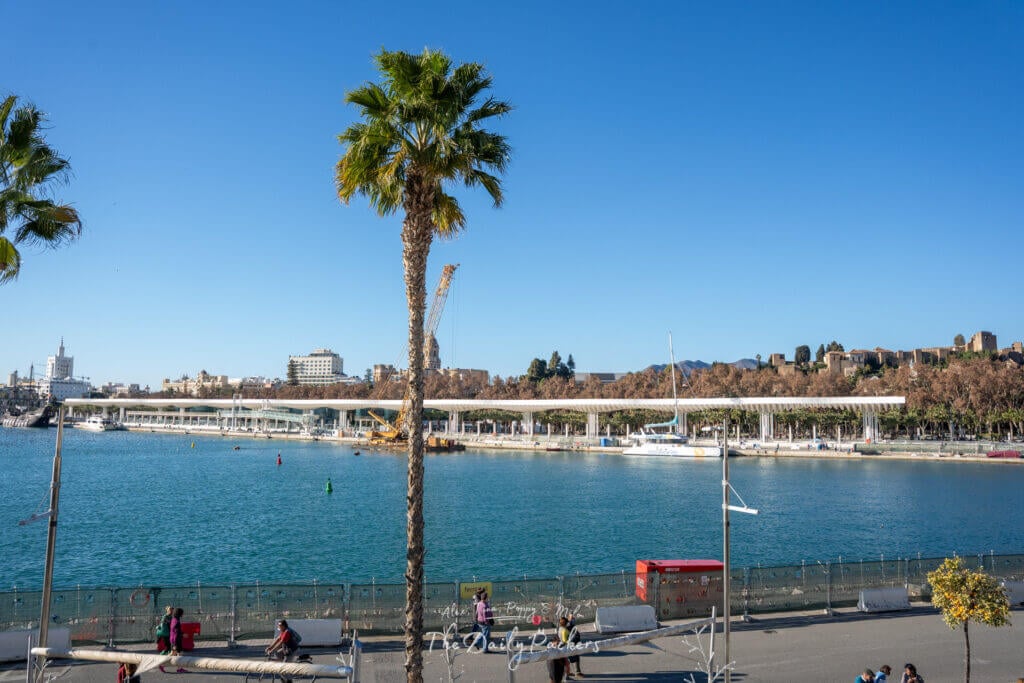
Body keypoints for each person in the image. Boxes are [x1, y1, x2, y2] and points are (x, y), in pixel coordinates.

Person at [266, 619, 301, 683]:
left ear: (284, 626)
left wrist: (272, 650)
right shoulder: (283, 630)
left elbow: (280, 643)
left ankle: (289, 680)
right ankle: (285, 671)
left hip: (291, 650)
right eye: (278, 626)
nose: (278, 627)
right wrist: (270, 647)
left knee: (282, 669)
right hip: (286, 648)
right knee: (277, 653)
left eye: (280, 626)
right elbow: (278, 639)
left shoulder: (287, 632)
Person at [565, 613, 584, 678]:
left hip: (572, 644)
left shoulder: (571, 625)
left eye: (573, 618)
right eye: (572, 618)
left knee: (574, 657)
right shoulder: (568, 625)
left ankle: (575, 672)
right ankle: (574, 673)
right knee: (570, 659)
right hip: (569, 645)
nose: (573, 619)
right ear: (568, 618)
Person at [168, 607, 187, 673]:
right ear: (179, 613)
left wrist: (182, 634)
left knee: (173, 653)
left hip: (172, 639)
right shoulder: (176, 621)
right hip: (176, 640)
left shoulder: (174, 619)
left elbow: (175, 631)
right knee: (180, 654)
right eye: (182, 613)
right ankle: (179, 668)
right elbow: (176, 632)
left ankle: (162, 664)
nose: (183, 614)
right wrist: (175, 644)